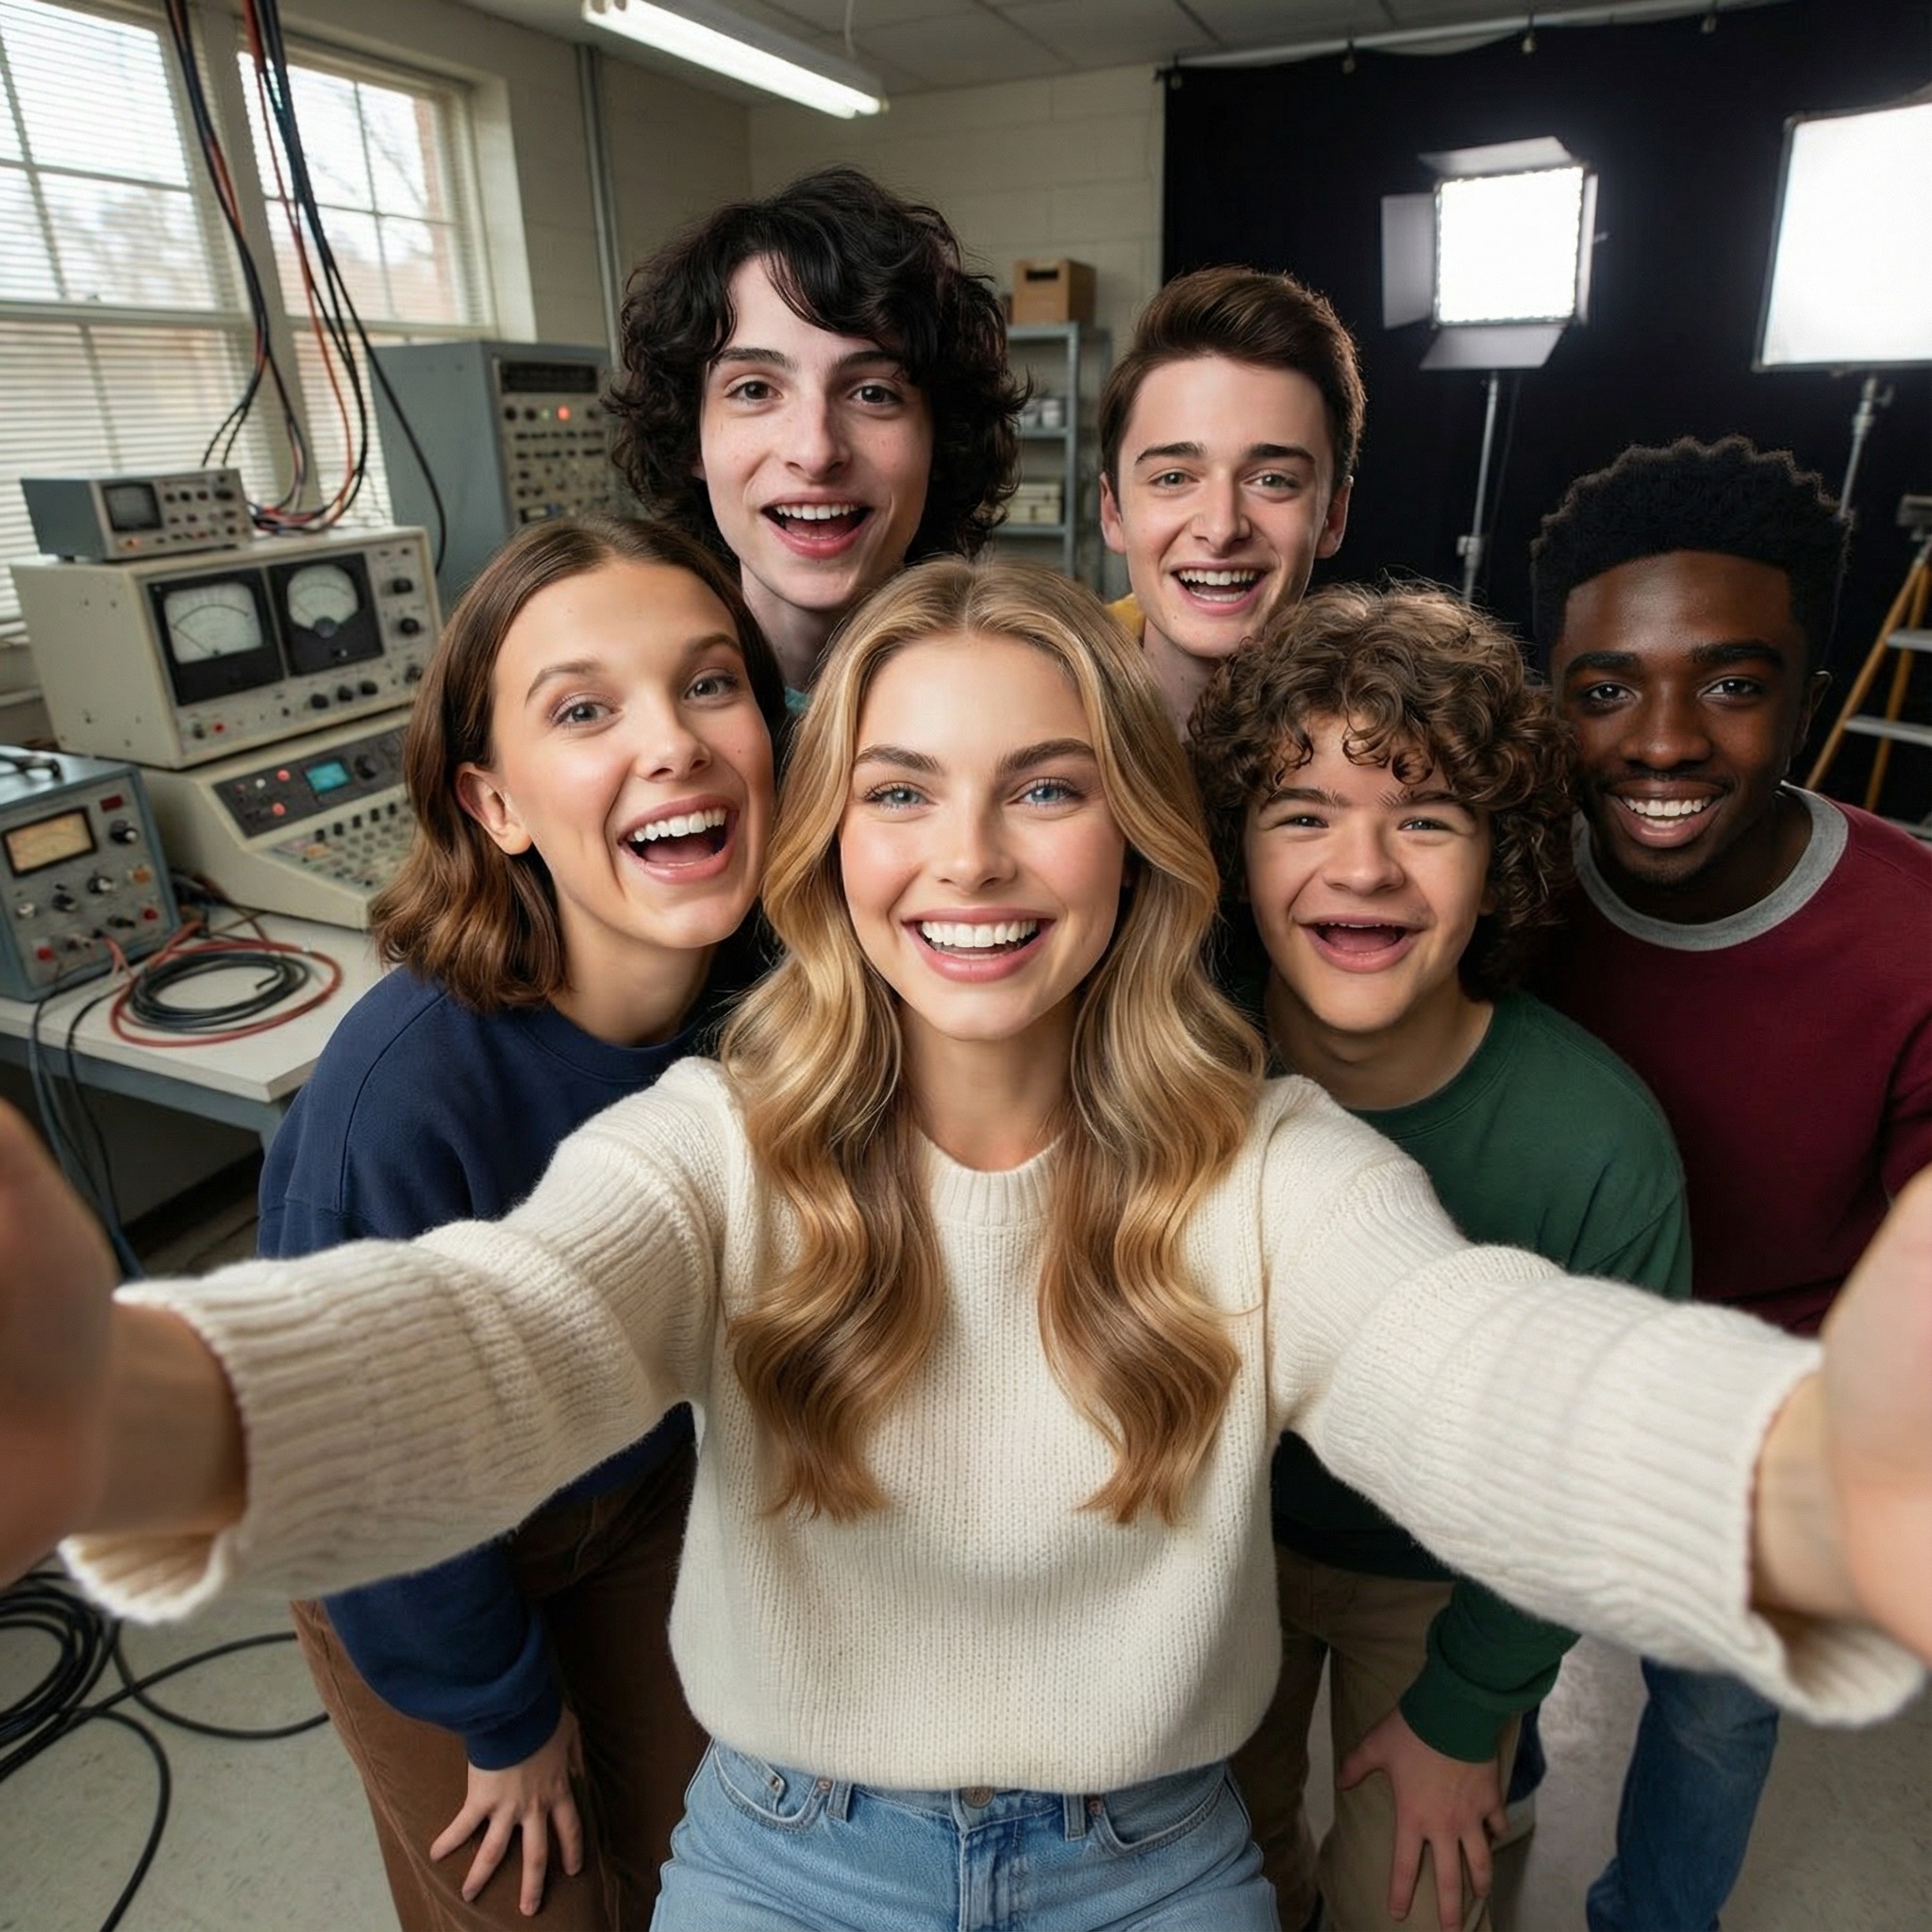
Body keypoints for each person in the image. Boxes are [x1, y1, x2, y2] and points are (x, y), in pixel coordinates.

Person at [7, 559, 1931, 1932]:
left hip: (1161, 1857)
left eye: (1047, 787)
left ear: (1139, 840)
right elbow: (510, 1332)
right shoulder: (717, 1139)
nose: (974, 860)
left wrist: (1783, 1484)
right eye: (901, 791)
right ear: (831, 842)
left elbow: (1467, 1368)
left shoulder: (1265, 1159)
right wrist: (147, 1410)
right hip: (782, 1854)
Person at [260, 514, 787, 1930]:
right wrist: (499, 1712)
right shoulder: (396, 1113)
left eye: (711, 682)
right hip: (413, 1546)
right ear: (494, 804)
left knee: (700, 1858)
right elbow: (356, 1478)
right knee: (538, 1897)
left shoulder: (777, 1007)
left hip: (637, 1486)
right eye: (583, 710)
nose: (671, 742)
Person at [1190, 587, 1690, 1932]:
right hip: (1216, 1549)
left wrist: (1468, 1714)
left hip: (1456, 1570)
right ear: (1233, 852)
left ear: (1504, 858)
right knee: (1211, 1882)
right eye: (1303, 814)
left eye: (1426, 819)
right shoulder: (1175, 1067)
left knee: (1409, 1898)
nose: (1362, 869)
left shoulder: (1597, 1142)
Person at [1527, 435, 1932, 1932]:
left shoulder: (1907, 935)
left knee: (1713, 1715)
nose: (1665, 739)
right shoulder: (1503, 890)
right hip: (1536, 1367)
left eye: (1734, 683)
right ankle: (1493, 1797)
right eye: (1608, 687)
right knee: (1485, 1640)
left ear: (1810, 698)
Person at [608, 165, 1024, 703]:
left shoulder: (1013, 704)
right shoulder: (643, 727)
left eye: (873, 393)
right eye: (755, 390)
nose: (816, 451)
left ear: (941, 438)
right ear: (691, 439)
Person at [1098, 264, 1361, 734]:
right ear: (1113, 511)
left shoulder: (1396, 749)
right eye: (1175, 477)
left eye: (1272, 481)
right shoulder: (1028, 713)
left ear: (1333, 517)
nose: (1220, 529)